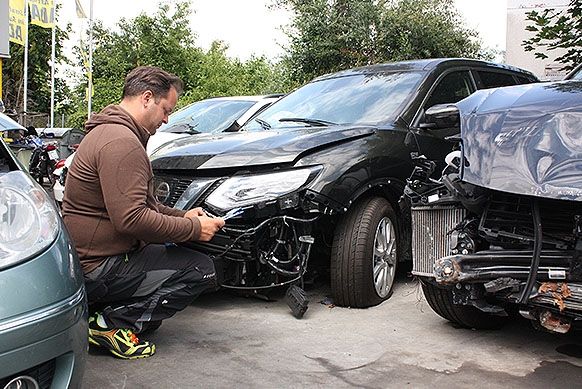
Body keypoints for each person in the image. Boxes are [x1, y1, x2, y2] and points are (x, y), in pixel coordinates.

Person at [62, 66, 225, 360]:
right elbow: (133, 219)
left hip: (89, 259)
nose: (166, 119)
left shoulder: (111, 132)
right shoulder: (122, 143)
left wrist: (183, 217)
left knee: (167, 246)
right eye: (165, 110)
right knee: (201, 269)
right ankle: (110, 325)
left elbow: (144, 205)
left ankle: (105, 313)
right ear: (147, 98)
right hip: (98, 268)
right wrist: (195, 231)